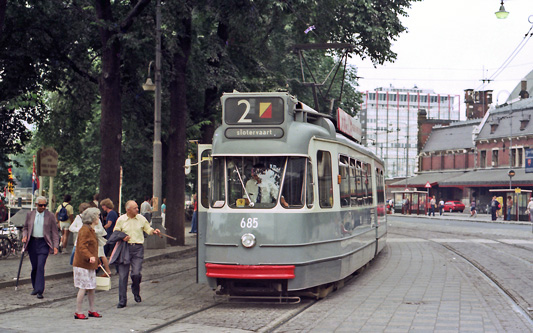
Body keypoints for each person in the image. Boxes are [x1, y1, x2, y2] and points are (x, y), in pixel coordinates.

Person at [113, 200, 160, 308]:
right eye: (135, 208)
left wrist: (154, 231)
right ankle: (122, 300)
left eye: (137, 208)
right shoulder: (121, 219)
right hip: (125, 248)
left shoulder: (141, 218)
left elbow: (148, 229)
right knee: (123, 275)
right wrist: (122, 237)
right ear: (128, 210)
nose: (137, 210)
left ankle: (135, 290)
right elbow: (116, 233)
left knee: (136, 273)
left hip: (138, 248)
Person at [22, 196, 59, 299]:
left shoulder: (50, 216)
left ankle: (40, 290)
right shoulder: (30, 214)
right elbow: (25, 227)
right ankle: (35, 287)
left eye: (44, 205)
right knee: (34, 267)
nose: (43, 207)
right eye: (41, 205)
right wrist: (24, 236)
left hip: (44, 243)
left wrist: (55, 246)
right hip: (33, 243)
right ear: (36, 205)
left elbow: (55, 232)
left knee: (40, 266)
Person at [72, 207, 102, 320]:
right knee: (83, 287)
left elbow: (91, 247)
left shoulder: (90, 229)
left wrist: (96, 260)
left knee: (91, 287)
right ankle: (78, 311)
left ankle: (92, 310)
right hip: (82, 264)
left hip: (89, 263)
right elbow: (81, 246)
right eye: (97, 216)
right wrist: (90, 257)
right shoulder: (84, 230)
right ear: (92, 218)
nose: (99, 218)